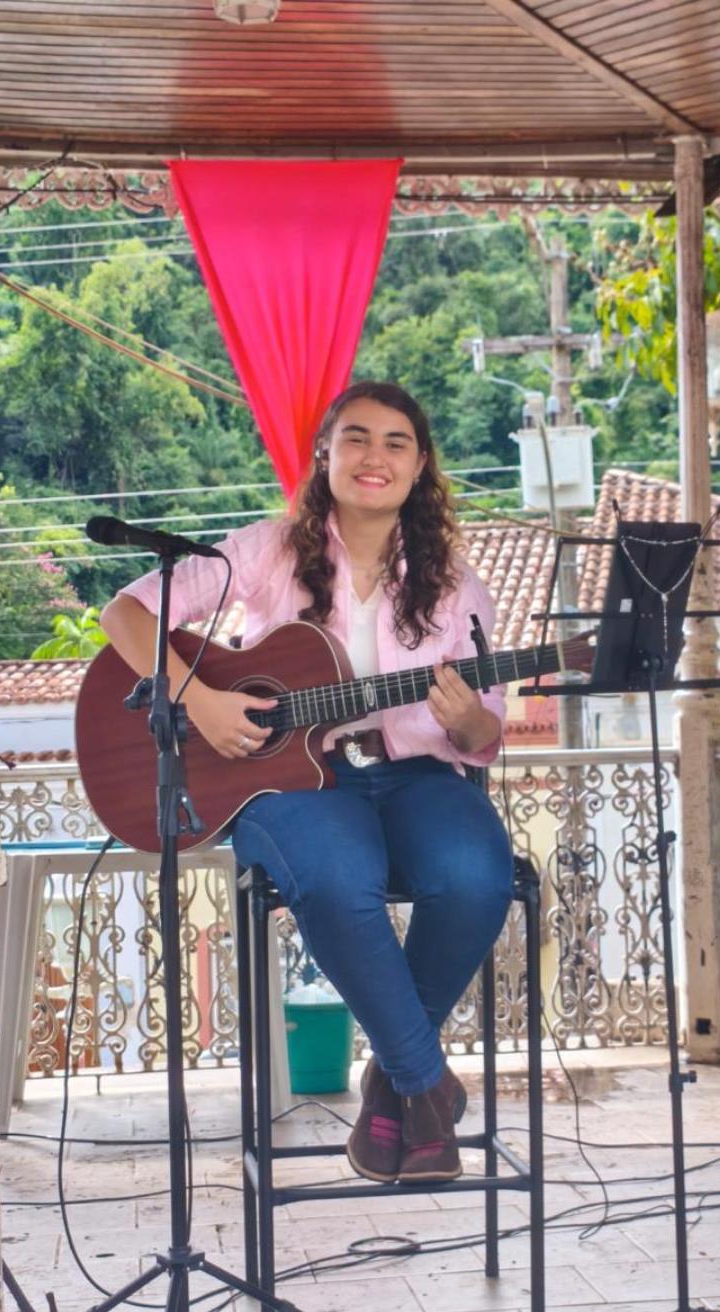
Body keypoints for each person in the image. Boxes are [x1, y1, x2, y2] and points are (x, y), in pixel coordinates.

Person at [101, 380, 514, 1185]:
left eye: (396, 442)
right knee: (335, 875)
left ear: (420, 466)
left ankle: (395, 1081)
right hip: (289, 781)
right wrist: (200, 699)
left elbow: (485, 731)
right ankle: (427, 1087)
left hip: (418, 774)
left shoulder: (457, 587)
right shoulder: (267, 551)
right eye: (356, 437)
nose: (374, 456)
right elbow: (126, 614)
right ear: (324, 454)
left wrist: (468, 720)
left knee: (475, 875)